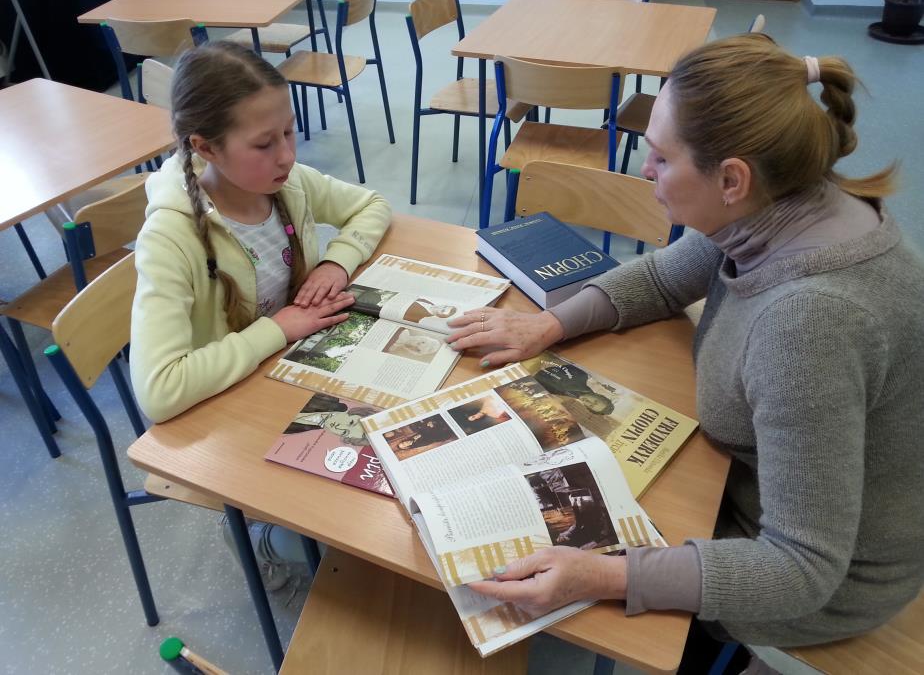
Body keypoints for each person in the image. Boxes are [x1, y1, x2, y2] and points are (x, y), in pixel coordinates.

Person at [446, 33, 924, 660]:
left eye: (662, 159)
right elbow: (664, 275)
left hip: (824, 575)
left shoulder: (811, 321)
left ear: (731, 178)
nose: (645, 171)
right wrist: (549, 326)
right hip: (762, 485)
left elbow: (801, 569)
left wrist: (611, 575)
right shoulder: (782, 199)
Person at [130, 41, 392, 591]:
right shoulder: (170, 236)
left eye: (290, 133)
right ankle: (256, 536)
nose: (286, 156)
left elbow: (372, 205)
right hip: (228, 404)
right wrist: (278, 329)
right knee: (346, 520)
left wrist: (336, 265)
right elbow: (159, 390)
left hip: (286, 366)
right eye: (263, 143)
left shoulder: (284, 184)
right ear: (206, 148)